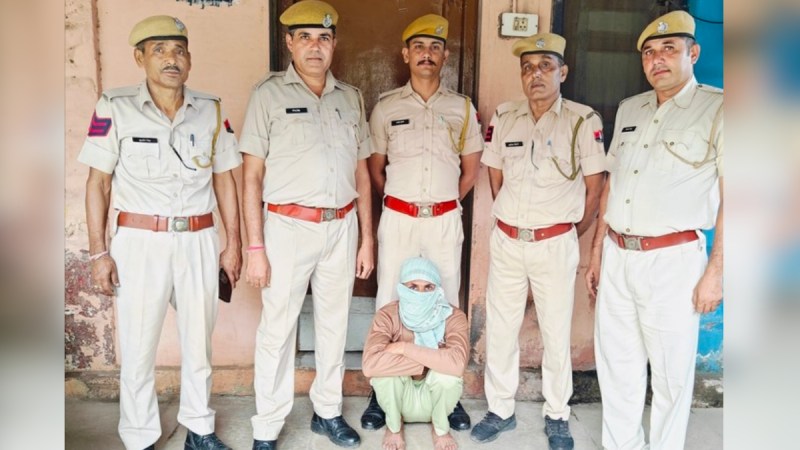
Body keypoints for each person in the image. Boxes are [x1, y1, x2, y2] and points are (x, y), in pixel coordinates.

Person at [79, 15, 242, 450]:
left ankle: (199, 429)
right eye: (160, 50)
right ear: (140, 58)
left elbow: (225, 180)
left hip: (198, 238)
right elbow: (98, 183)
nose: (172, 59)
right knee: (137, 345)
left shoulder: (211, 109)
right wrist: (98, 253)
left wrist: (234, 244)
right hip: (139, 242)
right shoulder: (114, 107)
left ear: (189, 59)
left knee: (199, 342)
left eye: (179, 50)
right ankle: (139, 436)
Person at [584, 10, 723, 450]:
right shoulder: (631, 108)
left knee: (670, 375)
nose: (657, 59)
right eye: (648, 52)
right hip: (617, 255)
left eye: (668, 48)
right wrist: (597, 252)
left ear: (692, 53)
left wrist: (716, 272)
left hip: (673, 262)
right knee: (617, 367)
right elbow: (612, 185)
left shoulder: (720, 109)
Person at [238, 1, 374, 449]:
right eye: (306, 38)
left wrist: (367, 239)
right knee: (277, 329)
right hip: (287, 228)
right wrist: (255, 248)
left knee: (335, 325)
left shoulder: (350, 97)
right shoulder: (268, 95)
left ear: (334, 44)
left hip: (341, 226)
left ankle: (328, 412)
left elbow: (361, 173)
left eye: (324, 38)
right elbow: (251, 175)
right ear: (289, 43)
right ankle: (267, 425)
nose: (315, 47)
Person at [470, 33, 605, 450]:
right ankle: (500, 409)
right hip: (509, 240)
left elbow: (595, 190)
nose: (536, 75)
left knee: (555, 331)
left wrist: (564, 233)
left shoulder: (583, 121)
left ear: (563, 72)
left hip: (555, 242)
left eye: (546, 66)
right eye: (528, 67)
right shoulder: (505, 117)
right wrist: (514, 223)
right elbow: (495, 178)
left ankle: (558, 414)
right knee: (501, 328)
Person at [362, 12, 482, 433]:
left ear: (445, 56)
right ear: (405, 54)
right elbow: (376, 169)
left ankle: (446, 392)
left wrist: (440, 205)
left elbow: (470, 171)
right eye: (419, 47)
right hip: (399, 218)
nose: (426, 54)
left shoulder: (462, 108)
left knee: (445, 299)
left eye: (435, 47)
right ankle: (381, 390)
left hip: (444, 219)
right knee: (389, 298)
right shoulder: (386, 107)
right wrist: (406, 204)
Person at [362, 257, 469, 450]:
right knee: (385, 377)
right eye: (413, 287)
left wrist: (404, 348)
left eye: (428, 287)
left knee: (448, 378)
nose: (420, 293)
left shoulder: (453, 316)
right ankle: (394, 427)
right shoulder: (388, 315)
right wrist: (436, 358)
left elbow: (458, 364)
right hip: (401, 399)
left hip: (435, 399)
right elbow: (370, 365)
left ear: (438, 289)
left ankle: (440, 429)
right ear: (402, 288)